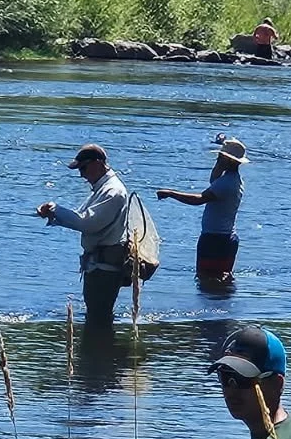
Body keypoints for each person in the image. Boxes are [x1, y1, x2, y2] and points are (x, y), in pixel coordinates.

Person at [37, 143, 138, 328]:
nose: (81, 174)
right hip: (98, 265)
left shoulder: (113, 191)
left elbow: (87, 223)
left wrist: (55, 208)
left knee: (98, 318)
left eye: (83, 168)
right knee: (96, 316)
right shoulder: (103, 188)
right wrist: (54, 213)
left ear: (98, 163)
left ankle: (100, 353)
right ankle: (100, 352)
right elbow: (82, 217)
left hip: (105, 268)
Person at [156, 137, 247, 287]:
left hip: (215, 239)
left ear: (229, 161)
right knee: (220, 281)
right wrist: (220, 163)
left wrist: (171, 193)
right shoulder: (232, 179)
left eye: (221, 156)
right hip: (224, 237)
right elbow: (213, 180)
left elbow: (199, 199)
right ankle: (222, 305)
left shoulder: (226, 184)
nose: (218, 158)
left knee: (206, 280)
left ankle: (215, 307)